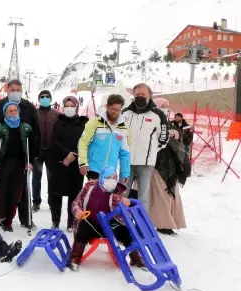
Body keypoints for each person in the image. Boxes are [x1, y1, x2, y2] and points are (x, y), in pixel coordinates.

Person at [66, 166, 146, 271]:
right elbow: (76, 202)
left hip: (110, 226)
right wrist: (78, 212)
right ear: (102, 177)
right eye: (109, 177)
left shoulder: (117, 193)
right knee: (83, 229)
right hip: (93, 224)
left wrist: (127, 203)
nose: (112, 180)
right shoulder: (89, 188)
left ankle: (135, 259)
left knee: (126, 233)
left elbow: (123, 212)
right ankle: (74, 258)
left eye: (115, 177)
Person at [0, 79, 40, 228]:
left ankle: (25, 219)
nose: (15, 92)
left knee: (20, 191)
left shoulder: (29, 108)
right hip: (3, 159)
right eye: (13, 89)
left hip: (21, 159)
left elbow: (35, 133)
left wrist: (32, 157)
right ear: (7, 89)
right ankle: (0, 217)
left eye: (18, 89)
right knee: (1, 190)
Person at [122, 83, 169, 213]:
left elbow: (163, 137)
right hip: (126, 160)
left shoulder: (158, 114)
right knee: (121, 193)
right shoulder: (125, 112)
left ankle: (142, 226)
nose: (140, 96)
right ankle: (120, 223)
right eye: (137, 94)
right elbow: (119, 133)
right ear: (133, 95)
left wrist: (152, 150)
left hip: (146, 162)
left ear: (150, 96)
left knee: (143, 196)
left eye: (143, 94)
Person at [148, 100, 188, 236]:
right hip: (157, 164)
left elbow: (182, 138)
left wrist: (177, 134)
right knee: (161, 196)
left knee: (172, 195)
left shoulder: (169, 123)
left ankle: (170, 222)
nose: (165, 109)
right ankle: (162, 224)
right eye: (163, 107)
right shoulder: (151, 121)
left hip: (171, 166)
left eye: (167, 107)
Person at [49, 96, 88, 232]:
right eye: (67, 105)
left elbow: (85, 142)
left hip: (76, 164)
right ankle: (55, 221)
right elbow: (55, 141)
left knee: (74, 194)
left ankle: (71, 223)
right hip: (60, 162)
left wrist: (74, 155)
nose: (69, 108)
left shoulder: (83, 124)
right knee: (56, 194)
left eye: (72, 105)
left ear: (76, 107)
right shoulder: (58, 123)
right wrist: (66, 155)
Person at [78, 94, 130, 181]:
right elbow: (83, 143)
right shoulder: (95, 123)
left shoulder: (123, 127)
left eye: (118, 110)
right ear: (107, 106)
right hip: (94, 169)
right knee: (95, 194)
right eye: (113, 109)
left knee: (107, 194)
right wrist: (83, 163)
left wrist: (125, 173)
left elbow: (124, 152)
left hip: (111, 171)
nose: (115, 112)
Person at [32, 89, 60, 212]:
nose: (44, 98)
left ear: (50, 99)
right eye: (42, 96)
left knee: (52, 178)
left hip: (51, 151)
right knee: (36, 178)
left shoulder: (56, 114)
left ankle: (51, 202)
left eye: (47, 97)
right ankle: (36, 202)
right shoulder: (34, 113)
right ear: (39, 99)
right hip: (37, 151)